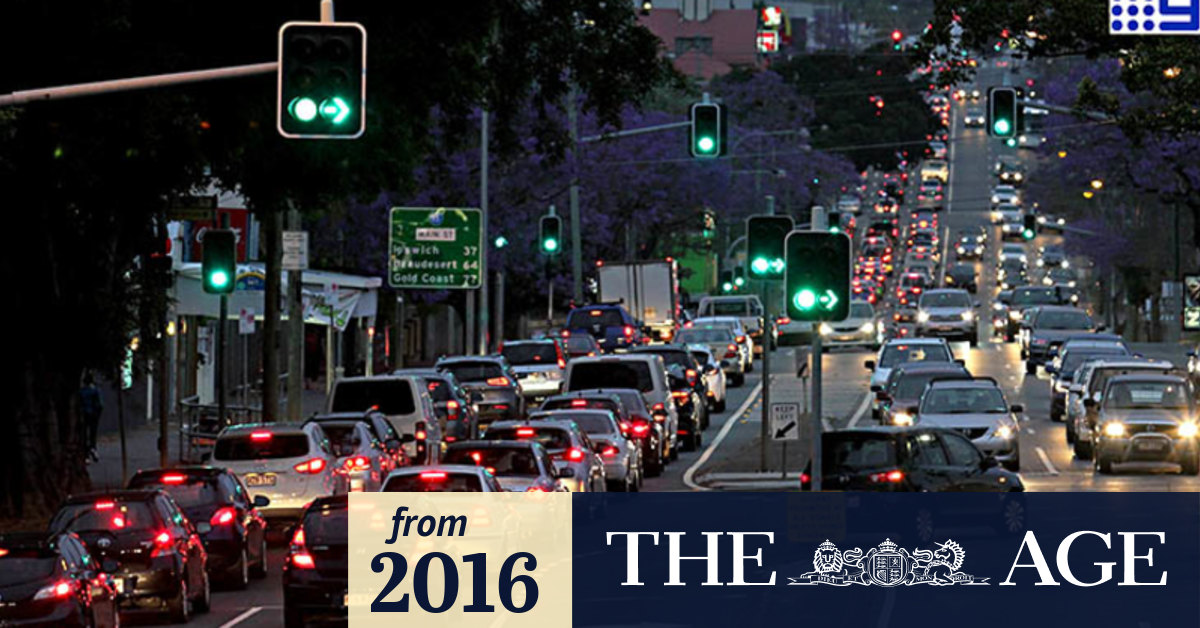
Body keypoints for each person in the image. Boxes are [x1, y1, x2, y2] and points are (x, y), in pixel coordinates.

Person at [79, 372, 103, 462]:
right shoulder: (95, 390)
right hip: (93, 414)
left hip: (84, 414)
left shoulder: (82, 391)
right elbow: (99, 404)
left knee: (84, 434)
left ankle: (86, 454)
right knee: (93, 432)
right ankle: (93, 448)